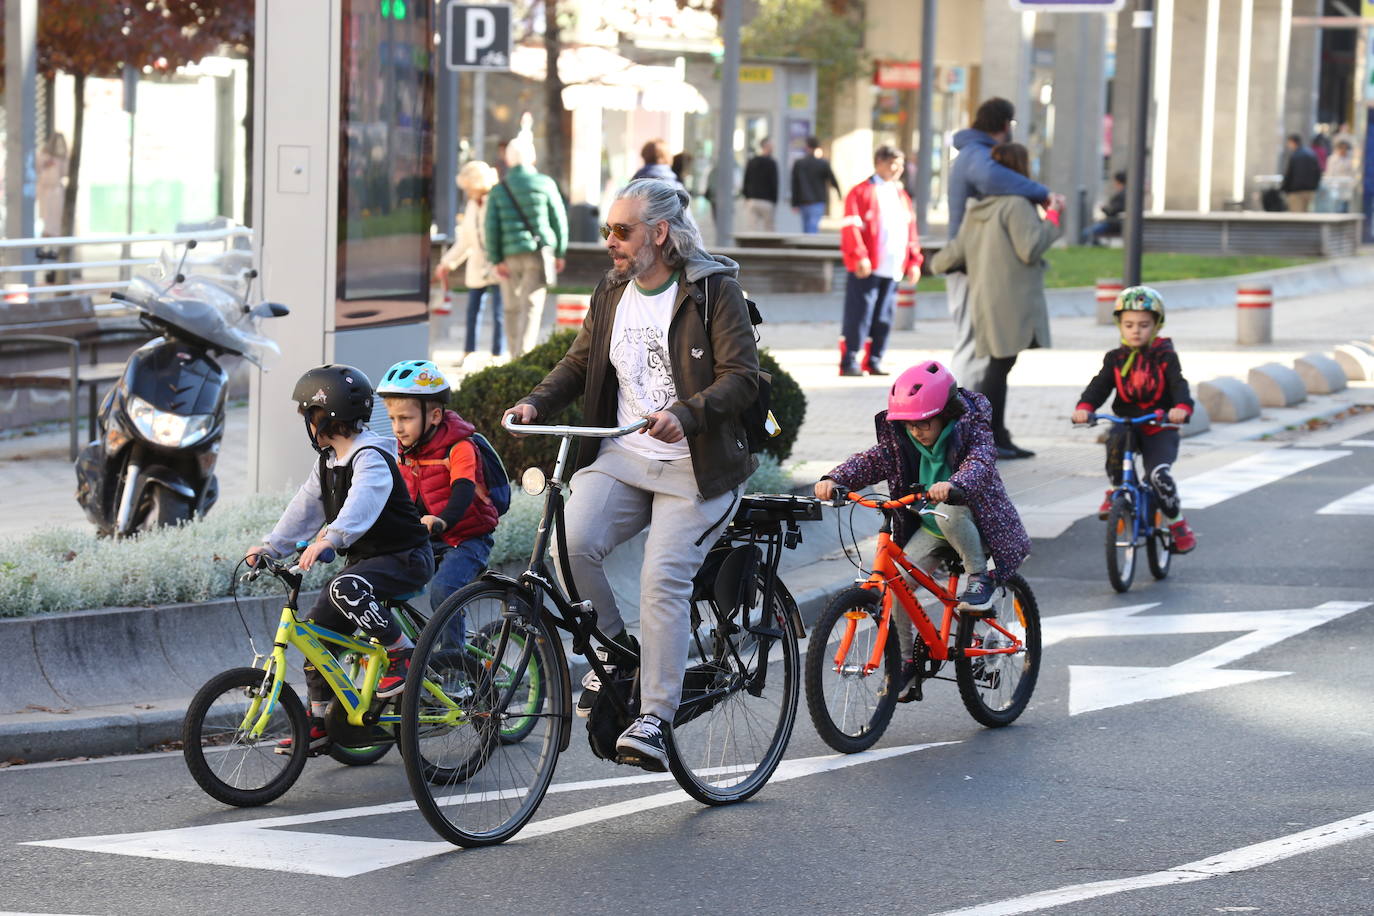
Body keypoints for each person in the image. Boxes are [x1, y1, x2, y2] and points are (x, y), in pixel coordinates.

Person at [502, 178, 758, 771]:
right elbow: (582, 360)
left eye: (622, 231)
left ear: (660, 234)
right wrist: (537, 402)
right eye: (607, 230)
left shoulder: (713, 291)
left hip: (698, 467)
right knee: (570, 542)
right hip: (623, 455)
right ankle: (622, 656)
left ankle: (655, 716)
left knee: (661, 579)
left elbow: (742, 377)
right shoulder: (613, 288)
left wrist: (685, 414)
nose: (610, 242)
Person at [814, 360, 1030, 700]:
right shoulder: (902, 441)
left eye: (924, 423)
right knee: (894, 584)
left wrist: (956, 483)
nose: (916, 432)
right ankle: (905, 663)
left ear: (946, 413)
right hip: (932, 527)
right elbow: (871, 460)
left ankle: (979, 578)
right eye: (909, 425)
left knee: (951, 510)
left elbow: (981, 461)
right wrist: (835, 478)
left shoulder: (972, 429)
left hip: (975, 522)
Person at [246, 365, 434, 753]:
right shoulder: (328, 462)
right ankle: (322, 722)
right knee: (316, 635)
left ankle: (401, 653)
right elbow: (304, 509)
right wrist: (271, 546)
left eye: (307, 416)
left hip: (405, 557)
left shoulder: (370, 458)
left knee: (343, 587)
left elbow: (362, 504)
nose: (307, 426)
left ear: (326, 418)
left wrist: (332, 538)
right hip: (367, 565)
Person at [930, 143, 1061, 461]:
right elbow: (1029, 247)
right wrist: (1054, 218)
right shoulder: (1017, 204)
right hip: (1014, 301)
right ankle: (990, 438)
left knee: (997, 366)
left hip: (984, 299)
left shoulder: (978, 209)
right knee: (998, 368)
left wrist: (951, 263)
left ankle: (996, 436)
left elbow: (945, 259)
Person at [1070, 286, 1197, 554]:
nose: (1136, 330)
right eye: (1129, 325)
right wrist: (1085, 407)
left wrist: (1182, 407)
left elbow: (1178, 385)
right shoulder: (1115, 358)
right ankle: (1117, 489)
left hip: (1159, 426)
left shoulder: (1165, 356)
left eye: (1143, 325)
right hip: (1128, 424)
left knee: (1158, 475)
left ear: (1156, 325)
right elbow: (1099, 386)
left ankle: (1176, 522)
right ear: (1120, 325)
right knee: (1115, 442)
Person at [946, 98, 1051, 396]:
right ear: (1006, 125)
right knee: (973, 346)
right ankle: (965, 421)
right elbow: (992, 177)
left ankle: (976, 425)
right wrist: (1043, 193)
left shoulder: (971, 153)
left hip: (969, 262)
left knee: (977, 346)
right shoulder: (976, 155)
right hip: (967, 264)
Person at [378, 359, 499, 612]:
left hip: (468, 538)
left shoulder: (461, 447)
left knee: (444, 592)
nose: (397, 428)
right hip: (428, 537)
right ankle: (406, 648)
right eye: (392, 419)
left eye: (405, 418)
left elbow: (463, 490)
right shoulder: (406, 451)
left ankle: (453, 652)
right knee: (379, 580)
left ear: (434, 416)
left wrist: (442, 520)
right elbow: (391, 494)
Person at [838, 145, 922, 377]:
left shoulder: (901, 195)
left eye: (901, 164)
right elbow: (851, 228)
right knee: (859, 314)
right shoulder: (861, 192)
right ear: (880, 163)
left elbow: (910, 230)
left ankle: (874, 358)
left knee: (884, 317)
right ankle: (850, 359)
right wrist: (859, 256)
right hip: (868, 266)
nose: (898, 169)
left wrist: (914, 261)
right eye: (894, 163)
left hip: (893, 267)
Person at [486, 135, 569, 358]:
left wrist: (496, 259)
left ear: (509, 160)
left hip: (508, 255)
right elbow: (559, 219)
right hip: (538, 253)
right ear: (532, 158)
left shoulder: (499, 189)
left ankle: (513, 355)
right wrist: (560, 251)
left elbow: (491, 227)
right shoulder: (545, 183)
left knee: (511, 307)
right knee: (531, 306)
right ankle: (526, 353)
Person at [435, 161, 504, 365]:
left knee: (499, 312)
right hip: (477, 267)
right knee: (472, 310)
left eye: (467, 186)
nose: (466, 191)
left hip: (497, 264)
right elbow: (465, 240)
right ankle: (469, 352)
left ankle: (498, 354)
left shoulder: (496, 199)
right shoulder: (472, 205)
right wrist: (447, 262)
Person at [790, 136, 842, 233]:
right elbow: (833, 180)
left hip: (803, 200)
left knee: (806, 228)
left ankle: (806, 246)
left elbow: (794, 184)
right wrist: (839, 194)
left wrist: (794, 203)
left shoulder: (799, 163)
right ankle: (808, 246)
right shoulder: (822, 163)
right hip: (818, 200)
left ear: (807, 147)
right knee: (812, 228)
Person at [741, 138, 779, 232]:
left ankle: (751, 246)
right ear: (766, 147)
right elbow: (774, 183)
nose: (773, 148)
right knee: (769, 229)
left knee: (751, 229)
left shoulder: (752, 161)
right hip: (767, 201)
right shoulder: (772, 163)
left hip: (752, 200)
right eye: (771, 146)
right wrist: (774, 200)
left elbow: (746, 180)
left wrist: (746, 197)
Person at [1082, 171, 1126, 245]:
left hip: (1113, 223)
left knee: (1086, 233)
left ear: (1118, 181)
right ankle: (1098, 245)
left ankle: (1097, 247)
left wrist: (1103, 208)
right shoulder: (1126, 193)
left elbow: (1113, 210)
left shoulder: (1121, 195)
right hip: (1116, 222)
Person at [1281, 133, 1321, 213]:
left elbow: (1289, 174)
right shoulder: (1311, 154)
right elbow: (1318, 172)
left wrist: (1284, 188)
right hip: (1310, 191)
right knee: (1308, 216)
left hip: (1296, 192)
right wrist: (1315, 187)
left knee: (1297, 217)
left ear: (1293, 142)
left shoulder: (1295, 155)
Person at [1322, 140, 1357, 213]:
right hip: (1335, 186)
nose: (1343, 150)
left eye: (1345, 149)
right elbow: (1329, 173)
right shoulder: (1332, 159)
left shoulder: (1350, 159)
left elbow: (1352, 174)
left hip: (1346, 187)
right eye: (1341, 148)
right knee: (1334, 206)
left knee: (1345, 206)